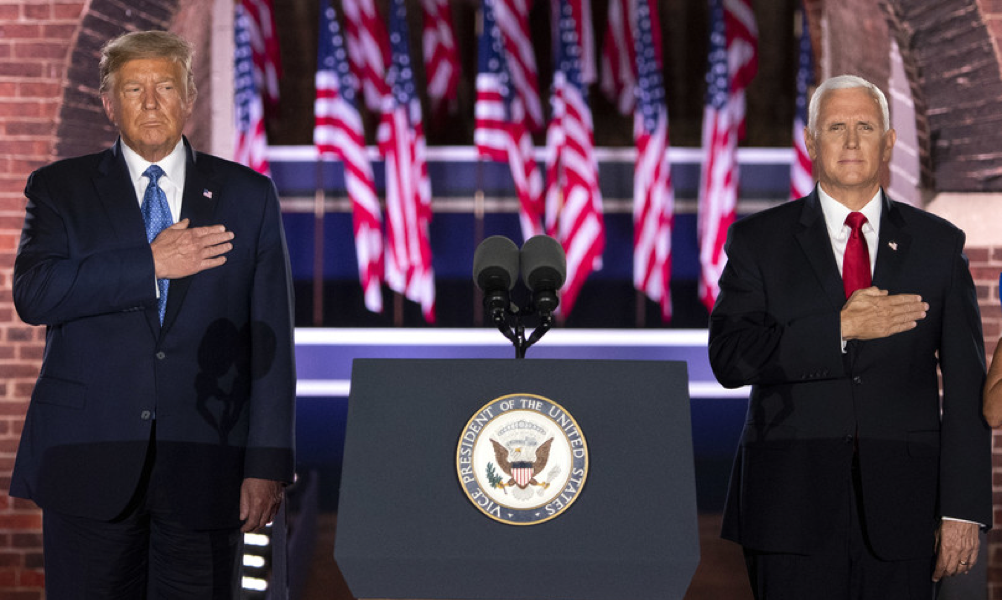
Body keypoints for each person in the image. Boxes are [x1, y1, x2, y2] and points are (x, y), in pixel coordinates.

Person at [10, 30, 296, 598]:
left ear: (188, 97)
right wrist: (150, 264)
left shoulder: (248, 195)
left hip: (207, 466)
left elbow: (271, 340)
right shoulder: (60, 189)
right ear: (108, 103)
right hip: (88, 461)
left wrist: (267, 464)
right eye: (133, 88)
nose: (149, 102)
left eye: (164, 86)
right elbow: (35, 294)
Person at [708, 74, 991, 598]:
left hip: (906, 510)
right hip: (787, 507)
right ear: (811, 142)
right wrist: (839, 328)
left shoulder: (938, 245)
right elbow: (730, 358)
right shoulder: (758, 241)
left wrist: (962, 509)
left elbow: (967, 387)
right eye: (836, 127)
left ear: (889, 142)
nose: (853, 141)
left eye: (866, 126)